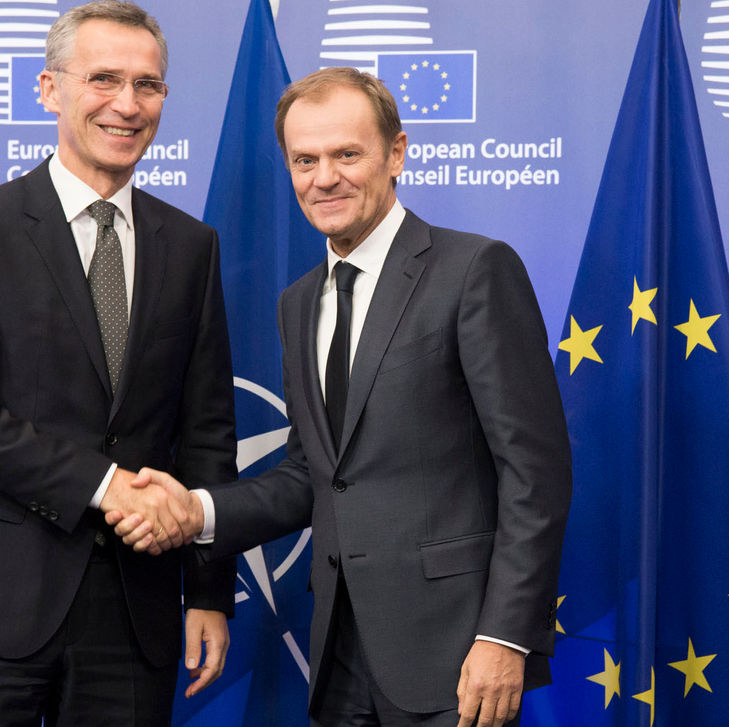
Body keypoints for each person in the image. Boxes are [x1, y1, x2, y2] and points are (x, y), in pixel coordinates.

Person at [111, 67, 572, 727]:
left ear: (396, 153)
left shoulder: (474, 270)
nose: (323, 177)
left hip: (457, 653)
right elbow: (315, 475)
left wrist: (505, 636)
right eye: (305, 159)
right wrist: (197, 510)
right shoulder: (299, 303)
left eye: (346, 154)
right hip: (340, 652)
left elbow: (536, 472)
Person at [0, 2, 235, 724]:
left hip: (135, 612)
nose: (127, 104)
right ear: (50, 89)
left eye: (148, 85)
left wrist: (209, 590)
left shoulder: (191, 247)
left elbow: (207, 430)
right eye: (104, 79)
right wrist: (106, 484)